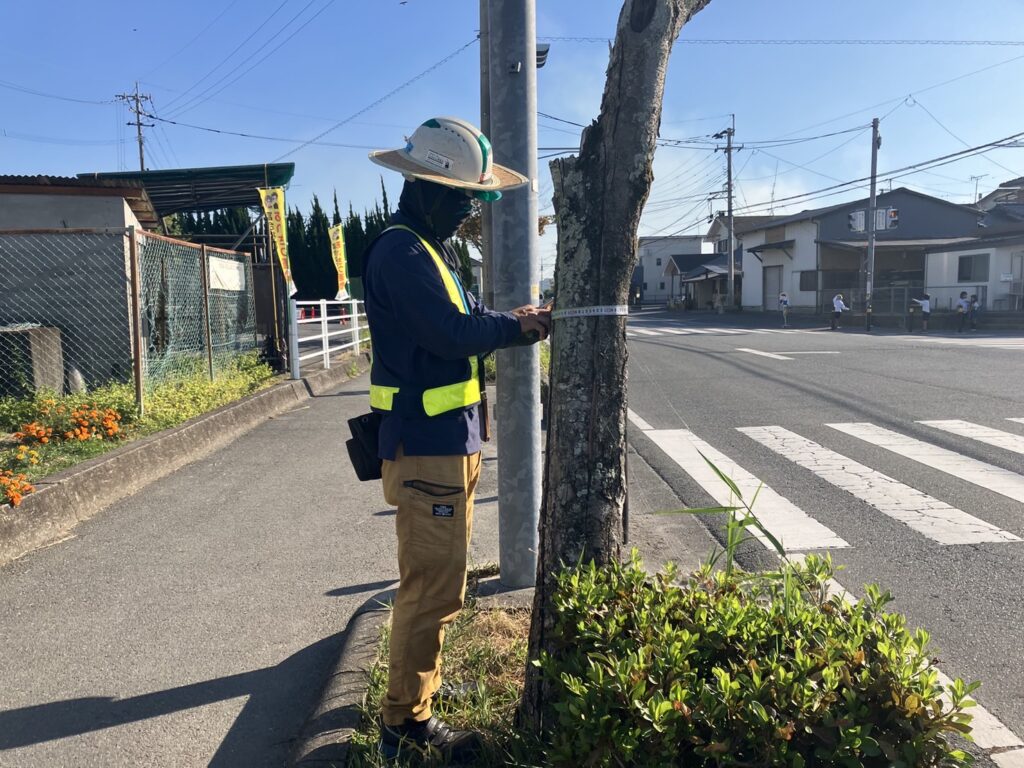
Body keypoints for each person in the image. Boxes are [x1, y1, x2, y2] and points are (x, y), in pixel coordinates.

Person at [362, 116, 551, 762]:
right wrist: (518, 328)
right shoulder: (402, 253)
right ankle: (403, 726)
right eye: (467, 198)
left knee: (442, 585)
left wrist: (508, 321)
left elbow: (461, 322)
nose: (471, 210)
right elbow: (451, 333)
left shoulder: (427, 249)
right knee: (430, 588)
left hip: (448, 448)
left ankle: (421, 697)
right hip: (428, 452)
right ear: (431, 188)